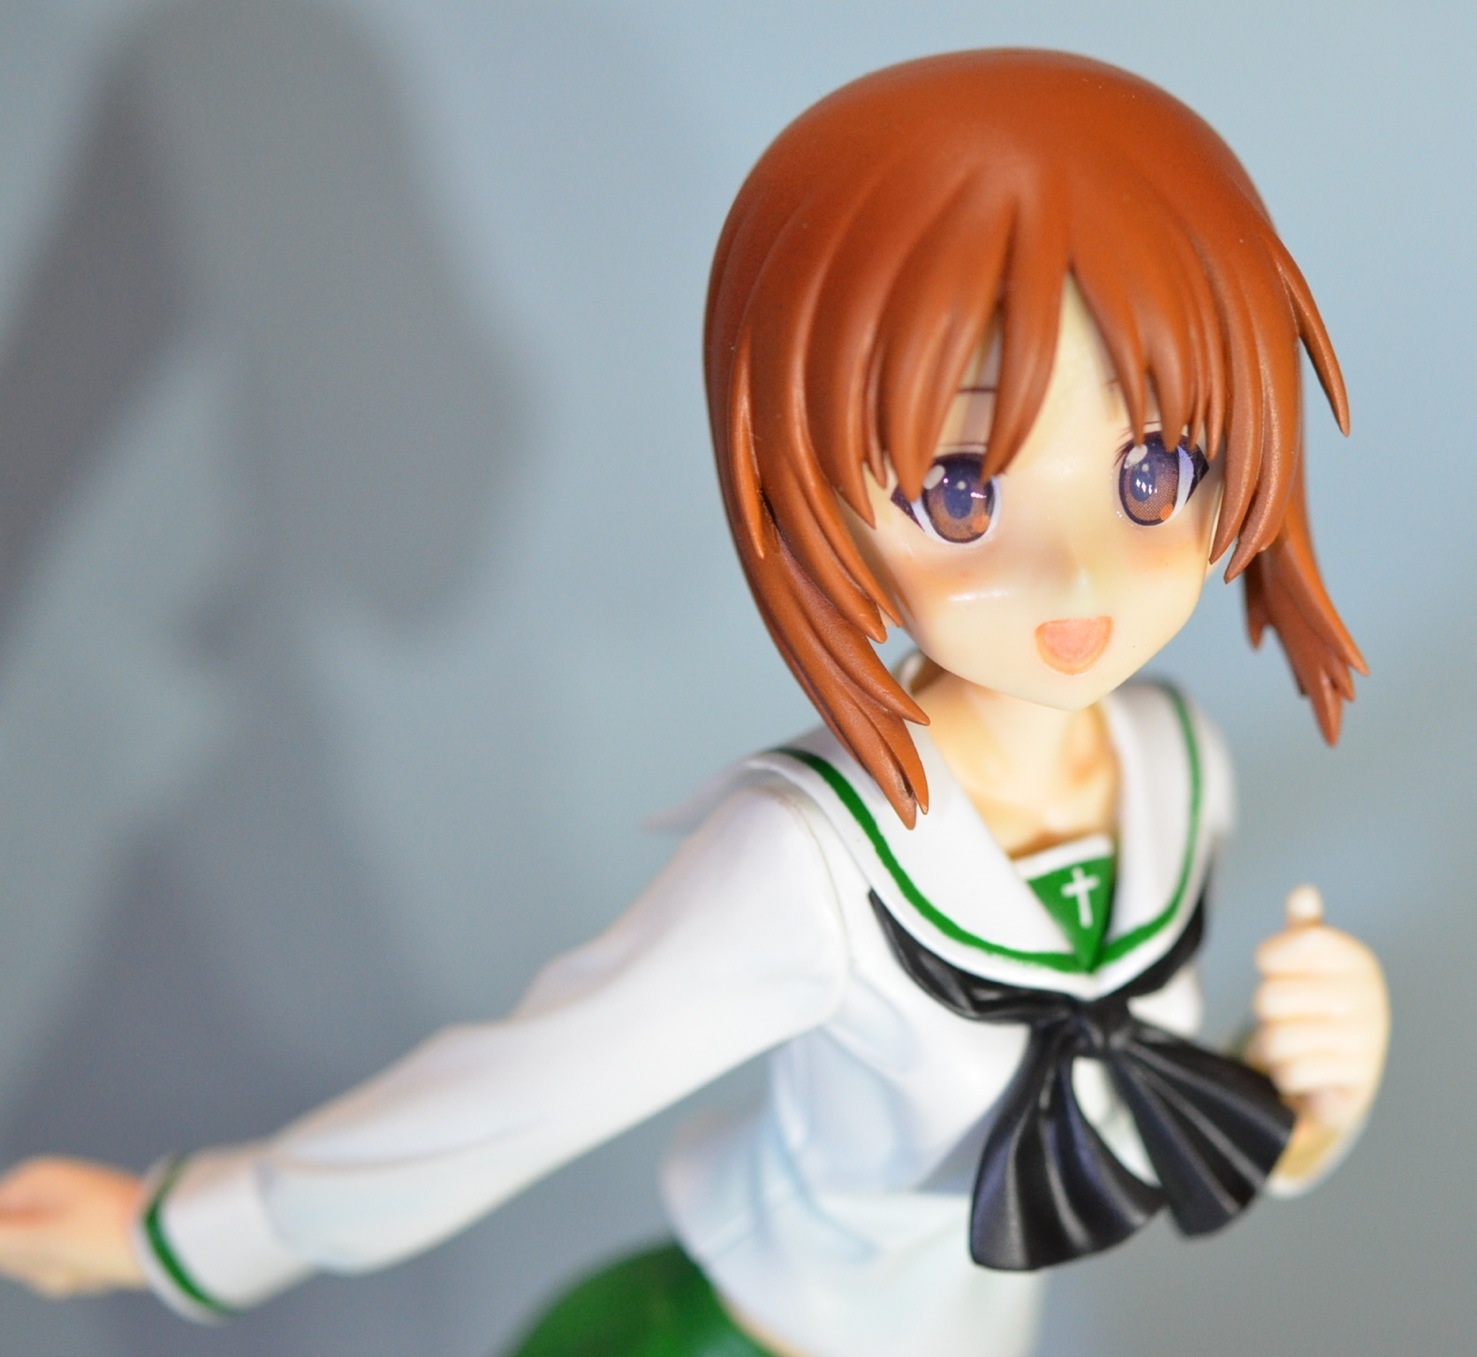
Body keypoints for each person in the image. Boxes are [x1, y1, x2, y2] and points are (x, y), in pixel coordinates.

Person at [0, 50, 1388, 1357]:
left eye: (1153, 470)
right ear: (817, 487)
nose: (1076, 568)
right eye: (962, 489)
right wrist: (179, 1230)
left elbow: (1135, 1124)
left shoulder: (1175, 775)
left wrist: (1308, 1090)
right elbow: (523, 1092)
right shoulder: (811, 863)